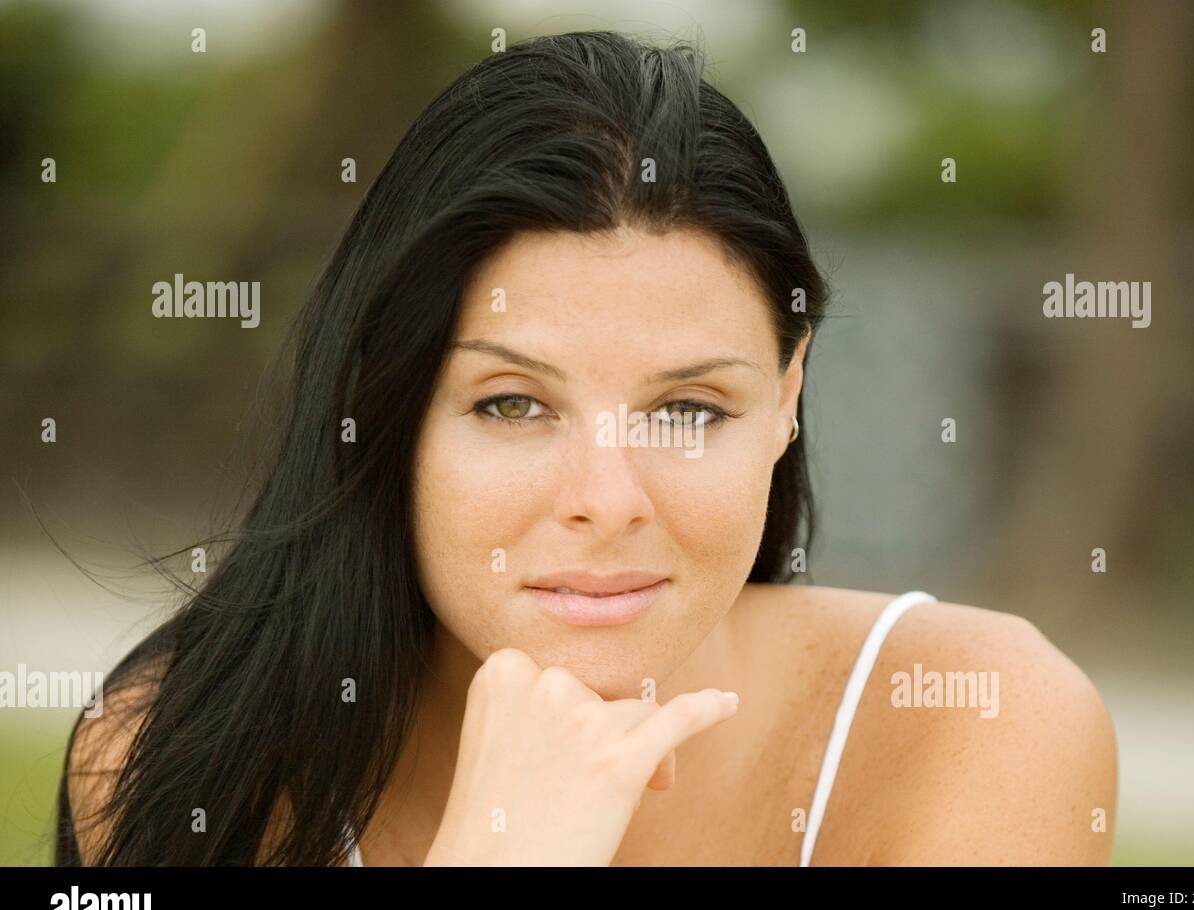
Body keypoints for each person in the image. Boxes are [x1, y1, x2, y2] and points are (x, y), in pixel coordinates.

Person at [57, 30, 1116, 867]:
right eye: (513, 404)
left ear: (787, 399)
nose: (606, 498)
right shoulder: (186, 756)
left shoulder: (975, 724)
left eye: (690, 409)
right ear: (385, 406)